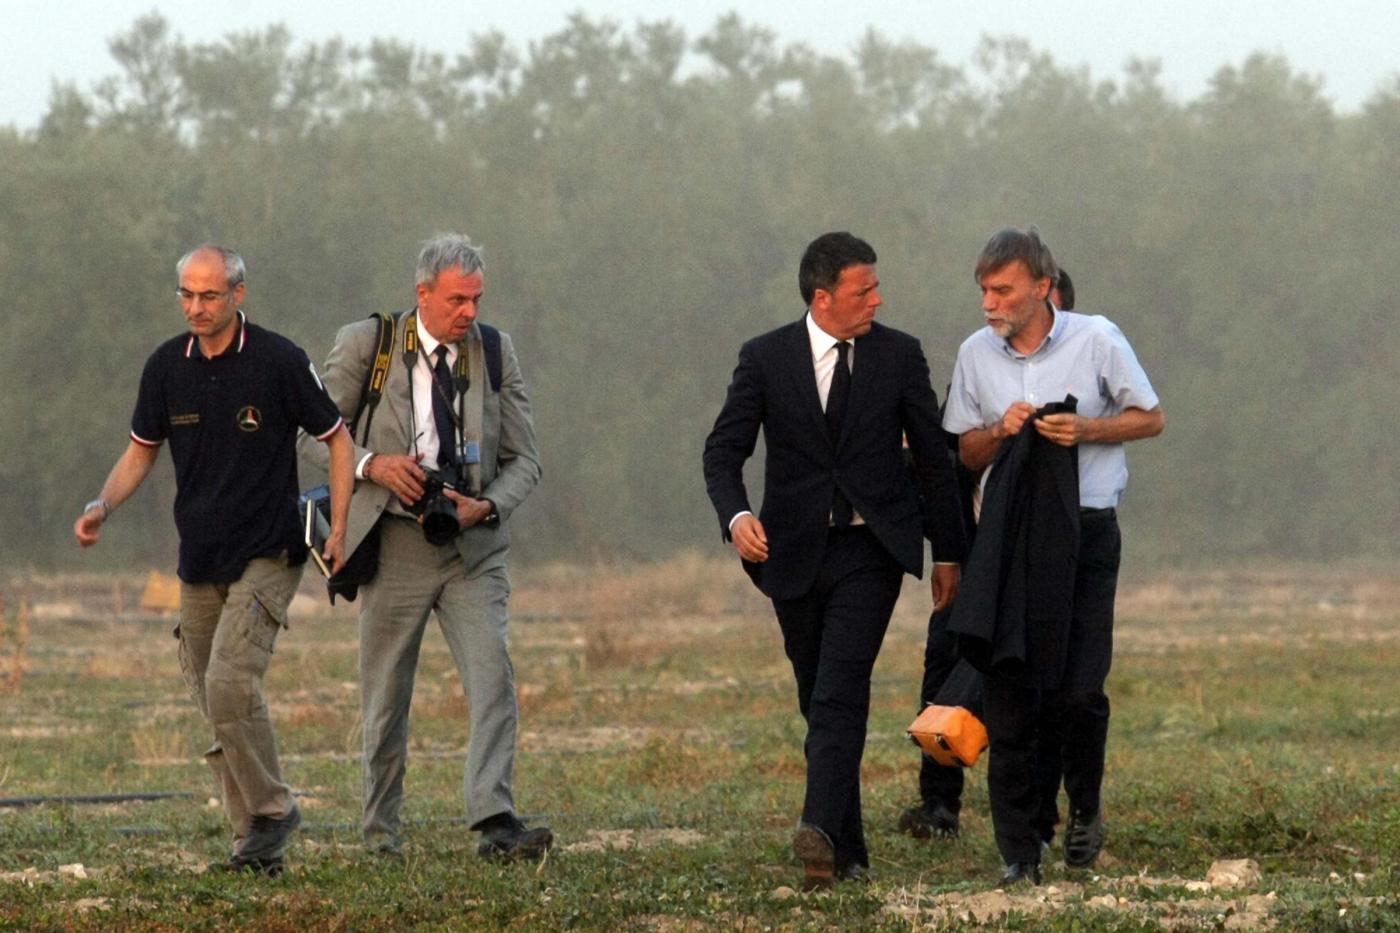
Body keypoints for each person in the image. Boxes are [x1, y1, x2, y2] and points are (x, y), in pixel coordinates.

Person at [73, 245, 354, 876]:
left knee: (232, 685)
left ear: (238, 294)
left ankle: (274, 809)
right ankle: (250, 843)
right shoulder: (166, 367)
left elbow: (338, 440)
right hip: (198, 558)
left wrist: (340, 527)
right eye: (187, 296)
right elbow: (140, 452)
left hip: (270, 551)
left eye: (209, 296)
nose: (196, 308)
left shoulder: (280, 361)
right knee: (212, 698)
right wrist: (101, 504)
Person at [703, 232, 967, 887]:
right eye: (863, 290)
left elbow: (934, 458)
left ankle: (817, 831)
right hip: (791, 554)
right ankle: (845, 851)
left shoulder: (899, 356)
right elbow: (722, 452)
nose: (877, 298)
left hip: (871, 550)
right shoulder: (765, 358)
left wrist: (949, 550)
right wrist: (737, 518)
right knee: (817, 699)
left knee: (840, 688)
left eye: (876, 286)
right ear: (822, 297)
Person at [297, 233, 548, 860]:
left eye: (478, 299)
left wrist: (485, 505)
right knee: (386, 695)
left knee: (494, 678)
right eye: (458, 300)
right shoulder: (369, 345)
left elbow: (526, 459)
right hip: (394, 541)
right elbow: (309, 436)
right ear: (423, 294)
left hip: (472, 547)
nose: (470, 313)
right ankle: (380, 834)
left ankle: (495, 822)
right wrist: (372, 465)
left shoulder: (495, 350)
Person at [942, 228, 1162, 886]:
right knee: (1010, 692)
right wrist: (998, 431)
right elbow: (963, 452)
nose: (988, 302)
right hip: (1007, 543)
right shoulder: (974, 354)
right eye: (983, 289)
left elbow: (1150, 416)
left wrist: (1086, 428)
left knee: (1079, 690)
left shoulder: (1097, 336)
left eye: (1002, 289)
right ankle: (1019, 849)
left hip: (1087, 534)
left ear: (1041, 287)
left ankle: (1085, 810)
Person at [898, 264, 1074, 842]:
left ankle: (1040, 813)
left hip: (1039, 561)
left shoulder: (1081, 370)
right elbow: (950, 460)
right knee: (943, 664)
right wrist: (947, 550)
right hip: (974, 552)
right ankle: (939, 802)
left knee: (1035, 687)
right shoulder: (980, 367)